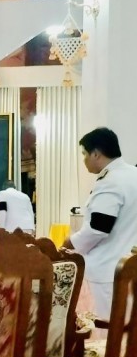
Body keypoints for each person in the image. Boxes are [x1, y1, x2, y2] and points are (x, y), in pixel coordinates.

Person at [63, 127, 137, 319]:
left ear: (96, 153)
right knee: (128, 329)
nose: (84, 160)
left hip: (107, 271)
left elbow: (99, 228)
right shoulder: (133, 174)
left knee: (106, 329)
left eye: (84, 154)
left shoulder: (110, 181)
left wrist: (71, 242)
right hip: (130, 266)